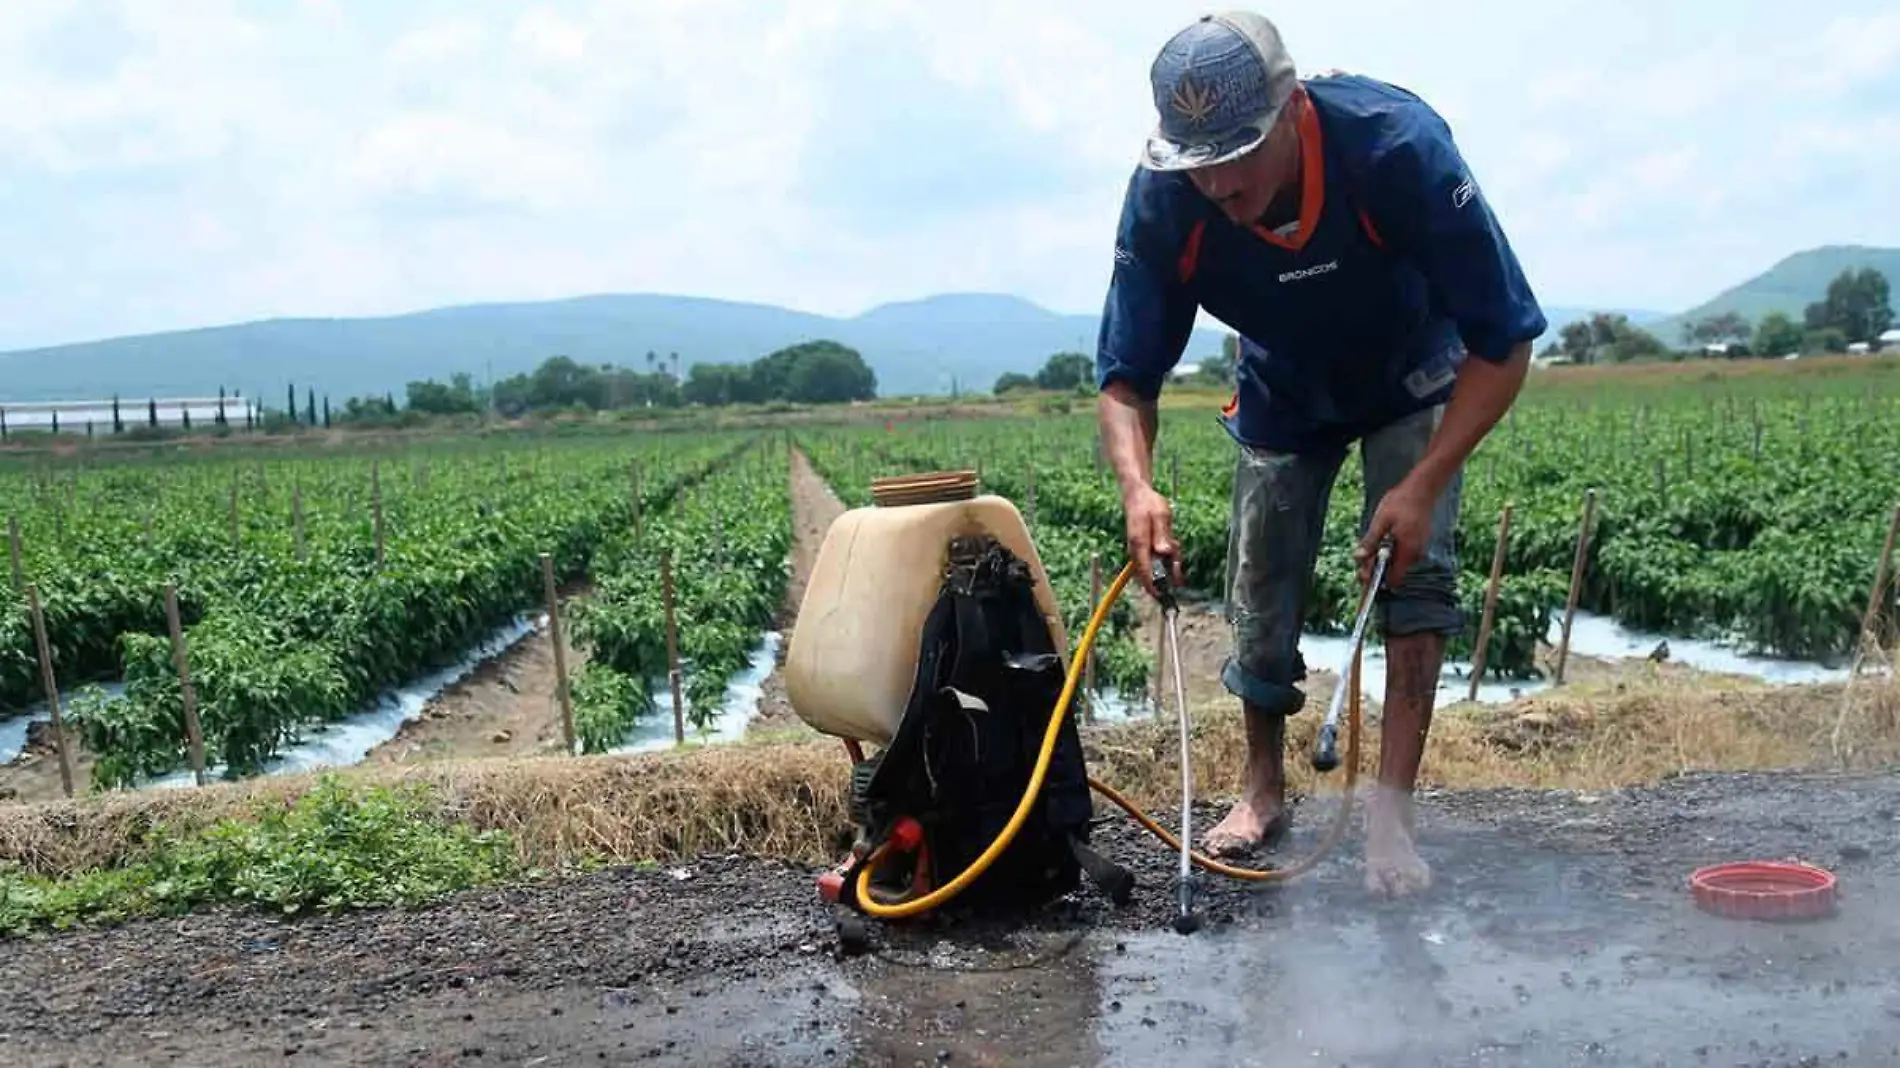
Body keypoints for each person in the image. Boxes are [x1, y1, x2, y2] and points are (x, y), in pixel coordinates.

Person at [1093, 10, 1546, 898]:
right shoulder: (1166, 199)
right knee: (1261, 589)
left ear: (1293, 108)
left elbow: (1504, 344)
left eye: (1237, 154)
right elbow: (1126, 377)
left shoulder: (1396, 149)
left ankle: (1389, 818)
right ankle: (1262, 791)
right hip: (1284, 385)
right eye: (1197, 162)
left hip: (1414, 368)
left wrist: (1423, 484)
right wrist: (1137, 487)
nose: (1217, 184)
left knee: (1415, 578)